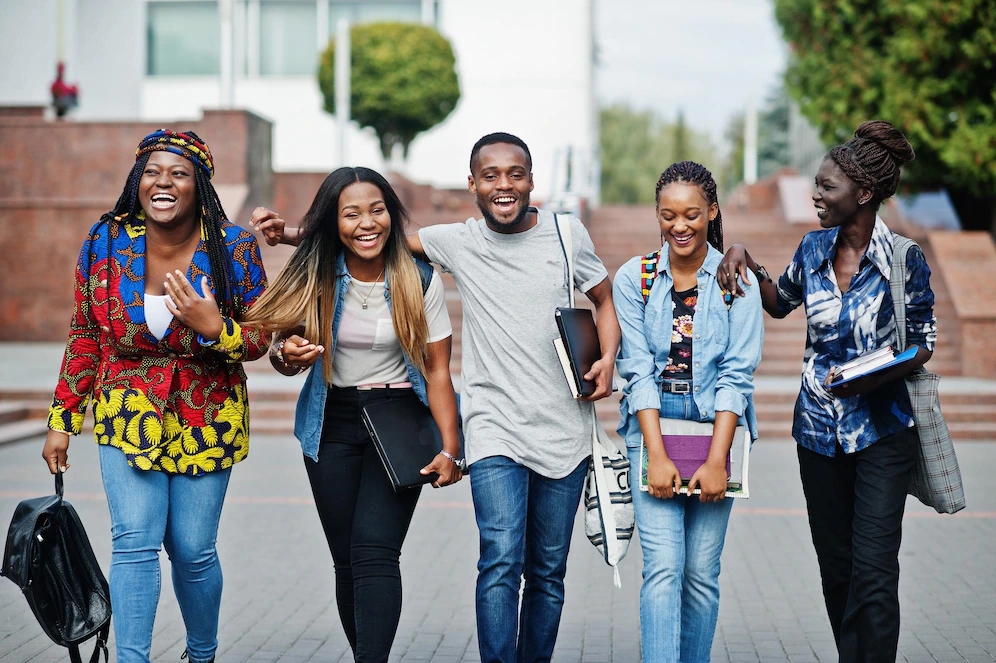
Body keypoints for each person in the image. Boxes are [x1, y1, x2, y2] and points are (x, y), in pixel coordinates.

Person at [251, 133, 620, 663]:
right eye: (489, 175)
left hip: (562, 425)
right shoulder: (458, 240)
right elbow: (359, 233)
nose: (504, 185)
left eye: (515, 174)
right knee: (497, 559)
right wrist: (290, 235)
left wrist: (608, 357)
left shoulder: (566, 235)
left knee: (547, 571)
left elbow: (603, 301)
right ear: (471, 184)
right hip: (489, 424)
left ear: (533, 180)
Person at [41, 129, 270, 663]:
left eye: (179, 173)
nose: (163, 182)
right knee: (134, 544)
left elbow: (260, 337)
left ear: (200, 186)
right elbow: (85, 333)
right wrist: (63, 417)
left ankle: (202, 654)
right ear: (137, 180)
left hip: (207, 415)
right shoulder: (105, 240)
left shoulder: (233, 247)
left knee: (192, 552)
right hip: (127, 411)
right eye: (152, 172)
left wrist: (217, 327)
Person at [718, 121, 933, 662]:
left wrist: (867, 375)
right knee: (836, 570)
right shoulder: (813, 248)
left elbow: (923, 343)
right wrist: (742, 253)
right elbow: (779, 301)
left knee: (875, 572)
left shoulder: (903, 259)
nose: (815, 195)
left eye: (826, 186)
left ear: (863, 194)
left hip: (883, 430)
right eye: (816, 184)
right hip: (817, 433)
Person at [242, 166, 462, 663]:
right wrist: (287, 356)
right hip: (332, 421)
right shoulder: (315, 272)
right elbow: (279, 350)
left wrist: (452, 448)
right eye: (352, 213)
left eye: (378, 209)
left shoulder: (417, 276)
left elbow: (439, 372)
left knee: (375, 554)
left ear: (392, 215)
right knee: (346, 562)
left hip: (399, 418)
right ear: (333, 222)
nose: (368, 222)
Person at [613, 161, 763, 662]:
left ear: (712, 212)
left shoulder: (733, 279)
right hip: (652, 427)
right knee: (662, 568)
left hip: (715, 427)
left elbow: (736, 376)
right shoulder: (634, 278)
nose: (680, 226)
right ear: (657, 215)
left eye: (692, 215)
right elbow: (636, 372)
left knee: (700, 574)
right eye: (669, 215)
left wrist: (717, 460)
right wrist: (655, 454)